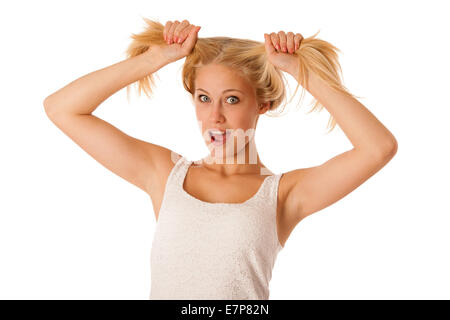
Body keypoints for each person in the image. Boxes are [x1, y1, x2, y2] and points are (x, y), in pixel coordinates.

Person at [43, 18, 398, 300]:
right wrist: (156, 59)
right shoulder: (164, 174)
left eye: (231, 100)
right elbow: (62, 109)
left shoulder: (284, 194)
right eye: (203, 98)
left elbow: (378, 147)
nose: (214, 117)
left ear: (262, 103)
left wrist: (296, 69)